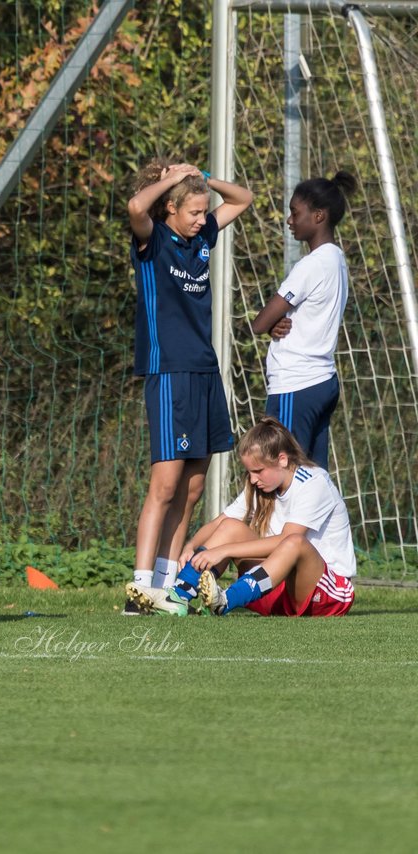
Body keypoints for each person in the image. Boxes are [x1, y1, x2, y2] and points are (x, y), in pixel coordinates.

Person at [125, 159, 253, 612]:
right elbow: (136, 205)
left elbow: (243, 198)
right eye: (194, 211)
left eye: (204, 211)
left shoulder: (202, 237)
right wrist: (174, 180)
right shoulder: (153, 239)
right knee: (165, 482)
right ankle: (139, 590)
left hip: (204, 369)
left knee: (194, 485)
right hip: (169, 371)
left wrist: (202, 178)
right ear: (170, 209)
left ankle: (165, 583)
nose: (203, 218)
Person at [127, 417, 355, 617]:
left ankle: (226, 600)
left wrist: (225, 551)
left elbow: (288, 541)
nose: (253, 479)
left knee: (295, 542)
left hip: (328, 596)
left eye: (258, 471)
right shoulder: (261, 486)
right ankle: (177, 597)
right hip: (274, 590)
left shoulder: (314, 482)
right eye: (249, 472)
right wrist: (192, 545)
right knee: (230, 527)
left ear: (282, 460)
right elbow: (219, 523)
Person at [251, 172, 358, 469]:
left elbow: (259, 323)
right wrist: (277, 324)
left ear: (319, 216)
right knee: (313, 479)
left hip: (295, 384)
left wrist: (270, 323)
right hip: (322, 381)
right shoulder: (336, 260)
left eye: (295, 213)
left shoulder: (310, 265)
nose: (289, 220)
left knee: (278, 476)